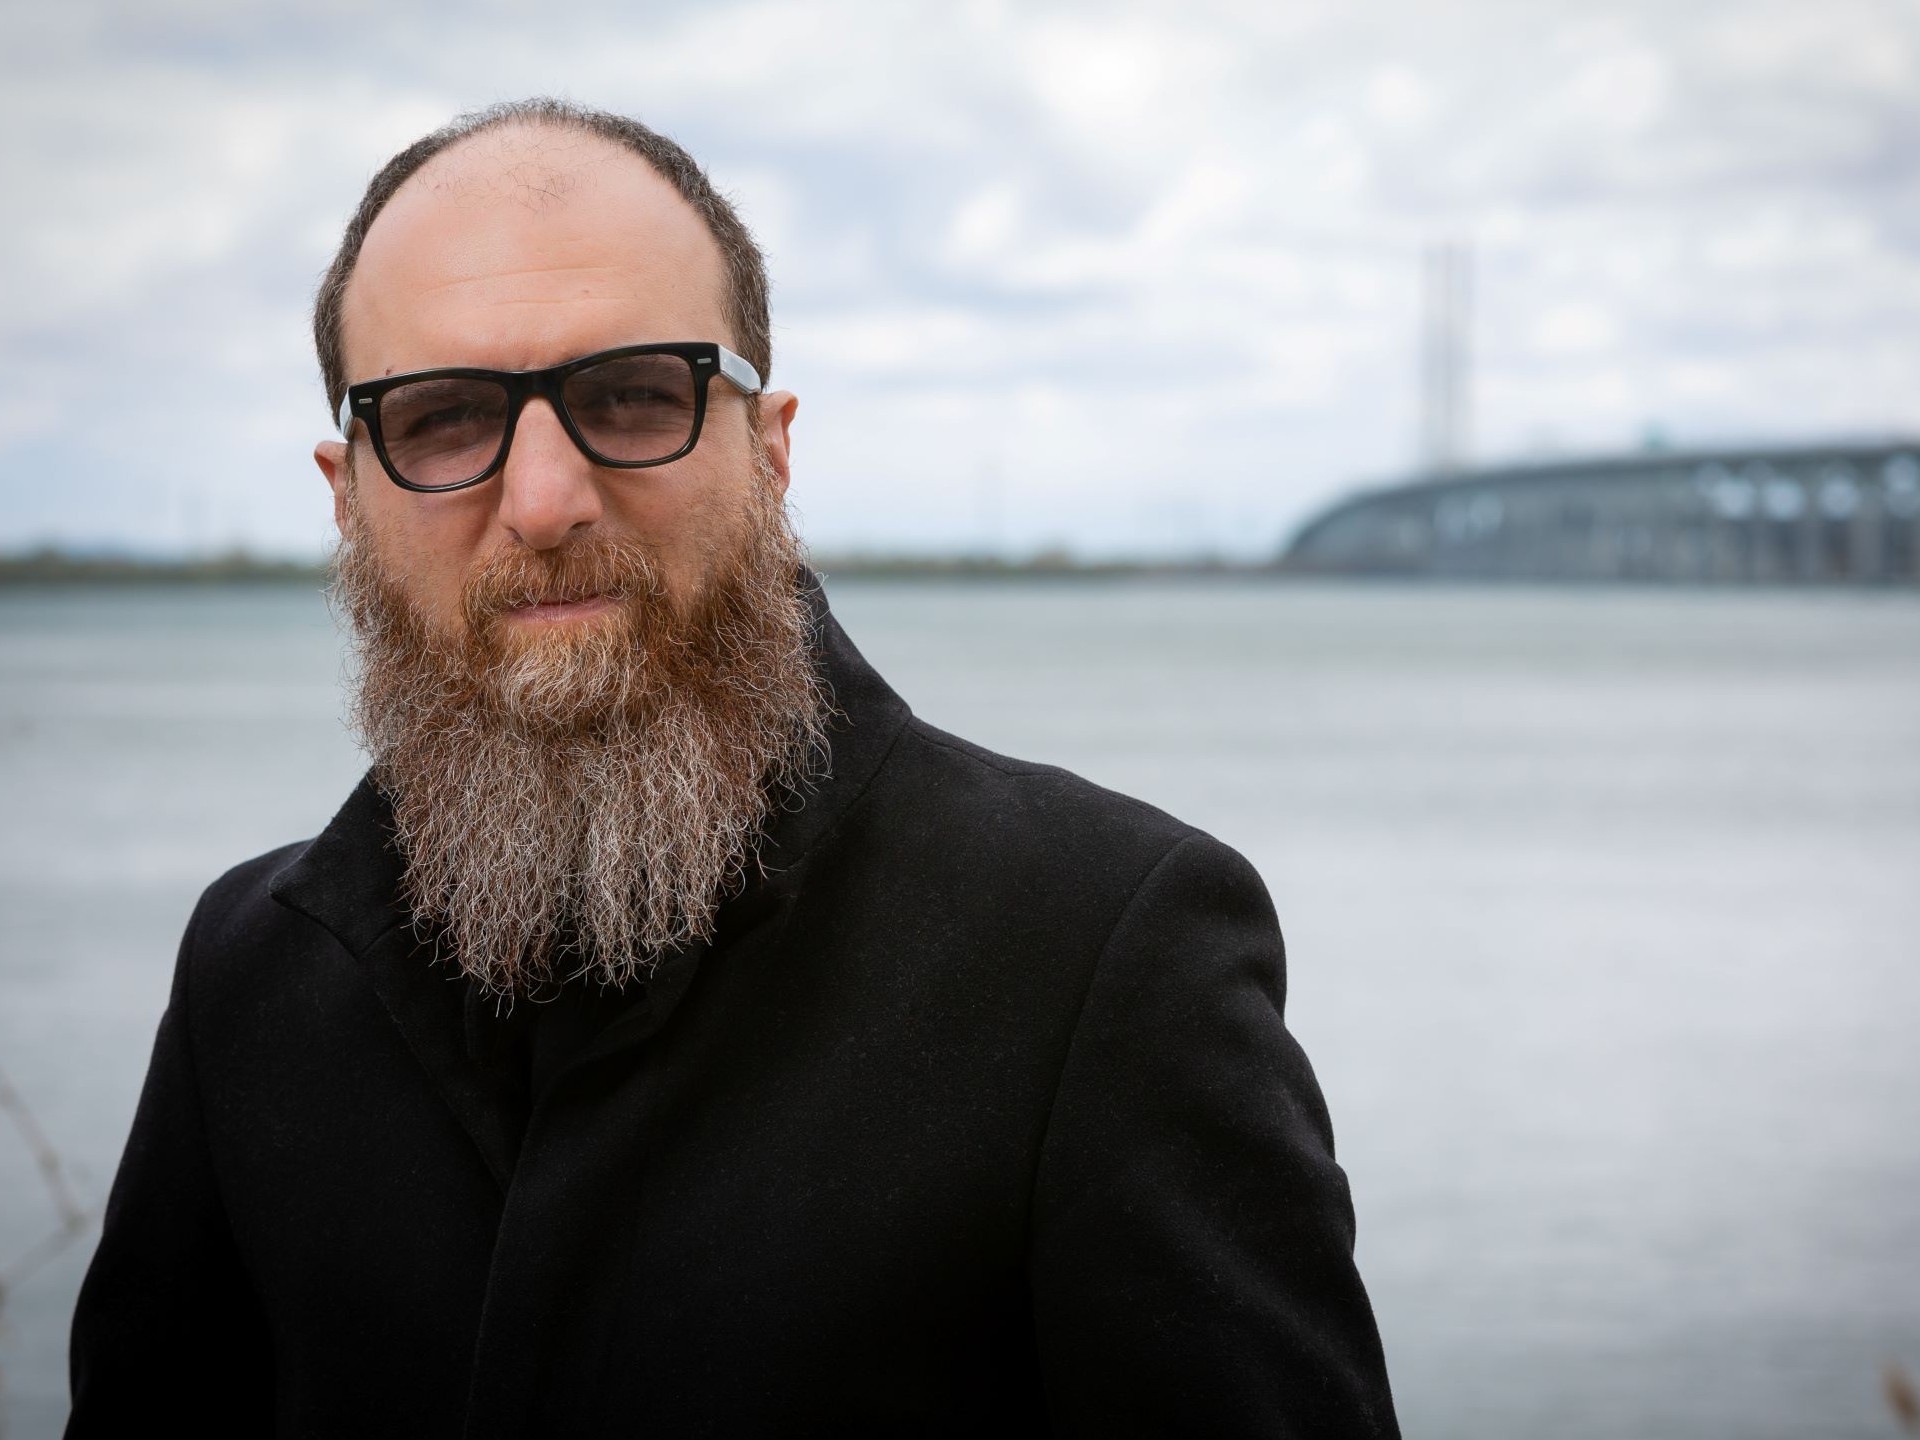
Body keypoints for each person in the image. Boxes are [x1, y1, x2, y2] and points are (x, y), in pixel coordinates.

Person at [67, 99, 1399, 1438]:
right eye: (443, 420)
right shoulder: (253, 972)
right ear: (347, 492)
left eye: (633, 395)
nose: (542, 501)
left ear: (770, 450)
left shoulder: (1103, 946)